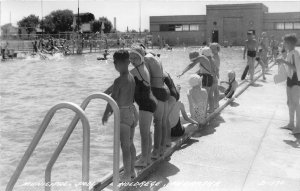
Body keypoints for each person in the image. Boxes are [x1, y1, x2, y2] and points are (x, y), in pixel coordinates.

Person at [102, 50, 138, 181]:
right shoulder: (131, 77)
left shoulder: (118, 80)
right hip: (132, 112)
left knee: (125, 147)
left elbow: (114, 99)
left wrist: (106, 114)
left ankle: (127, 174)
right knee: (130, 143)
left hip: (123, 115)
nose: (114, 65)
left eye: (115, 62)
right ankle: (132, 170)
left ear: (122, 63)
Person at [129, 47, 157, 167]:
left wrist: (105, 93)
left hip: (146, 104)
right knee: (147, 132)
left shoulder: (135, 71)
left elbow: (119, 83)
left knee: (144, 134)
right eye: (131, 58)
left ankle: (144, 160)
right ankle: (148, 157)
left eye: (135, 57)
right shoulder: (143, 67)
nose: (133, 60)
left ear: (141, 58)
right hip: (150, 102)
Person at [144, 47, 170, 159]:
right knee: (162, 121)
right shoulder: (157, 58)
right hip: (164, 90)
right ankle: (162, 148)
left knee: (157, 122)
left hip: (155, 90)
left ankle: (155, 151)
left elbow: (147, 78)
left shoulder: (146, 58)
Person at [276, 34, 300, 135]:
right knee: (289, 103)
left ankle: (298, 127)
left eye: (285, 42)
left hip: (296, 81)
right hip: (290, 80)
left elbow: (295, 68)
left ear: (290, 43)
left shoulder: (295, 53)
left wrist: (283, 62)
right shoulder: (290, 53)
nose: (283, 44)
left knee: (296, 104)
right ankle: (291, 124)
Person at [210, 43, 221, 108]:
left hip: (214, 75)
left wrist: (215, 75)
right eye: (211, 49)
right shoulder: (216, 56)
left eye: (214, 49)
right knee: (216, 90)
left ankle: (213, 106)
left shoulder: (215, 57)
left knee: (211, 91)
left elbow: (216, 68)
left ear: (218, 49)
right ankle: (216, 104)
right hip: (215, 74)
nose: (212, 50)